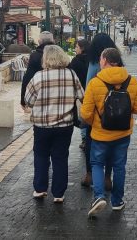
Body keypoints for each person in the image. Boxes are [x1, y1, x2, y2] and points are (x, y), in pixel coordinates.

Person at [81, 48, 137, 216]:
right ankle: (117, 201)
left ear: (104, 61)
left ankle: (99, 196)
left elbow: (85, 114)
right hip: (123, 134)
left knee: (96, 164)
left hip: (100, 134)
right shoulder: (131, 82)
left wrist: (96, 123)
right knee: (119, 167)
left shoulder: (94, 83)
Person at [24, 45, 84, 203]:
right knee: (60, 157)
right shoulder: (71, 75)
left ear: (46, 59)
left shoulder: (38, 76)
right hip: (65, 125)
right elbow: (81, 95)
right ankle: (58, 193)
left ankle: (40, 188)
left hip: (42, 126)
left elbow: (28, 101)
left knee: (41, 155)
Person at [81, 33, 117, 188]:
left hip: (96, 111)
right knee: (111, 144)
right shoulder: (118, 64)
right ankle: (107, 177)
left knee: (91, 142)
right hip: (113, 111)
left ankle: (90, 174)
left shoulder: (95, 63)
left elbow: (88, 85)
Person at [21, 31, 54, 107]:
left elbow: (28, 78)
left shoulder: (35, 56)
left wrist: (23, 100)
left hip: (40, 96)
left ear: (39, 41)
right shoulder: (61, 56)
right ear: (53, 41)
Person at [68, 39, 90, 150]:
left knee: (83, 116)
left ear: (82, 48)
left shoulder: (75, 61)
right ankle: (89, 137)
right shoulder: (92, 60)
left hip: (79, 93)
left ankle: (84, 139)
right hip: (91, 91)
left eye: (77, 47)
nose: (75, 49)